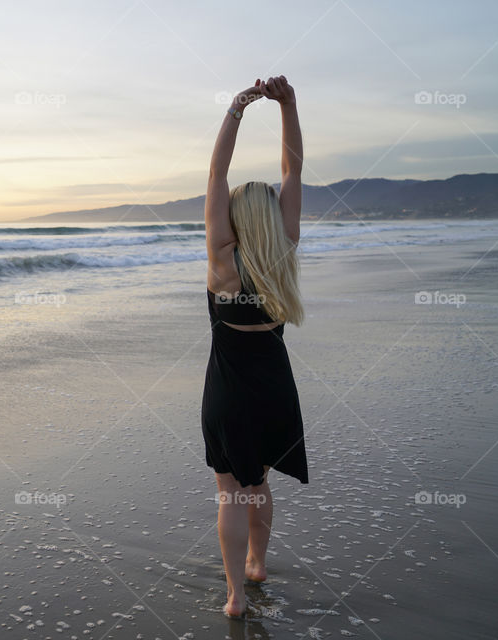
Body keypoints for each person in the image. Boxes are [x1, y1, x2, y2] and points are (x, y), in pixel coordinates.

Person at [200, 75, 310, 618]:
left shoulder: (222, 260)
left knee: (230, 491)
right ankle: (258, 564)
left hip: (226, 393)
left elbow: (217, 173)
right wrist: (288, 105)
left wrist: (237, 110)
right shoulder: (283, 256)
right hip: (274, 390)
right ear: (272, 219)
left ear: (238, 218)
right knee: (258, 480)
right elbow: (293, 170)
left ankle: (236, 596)